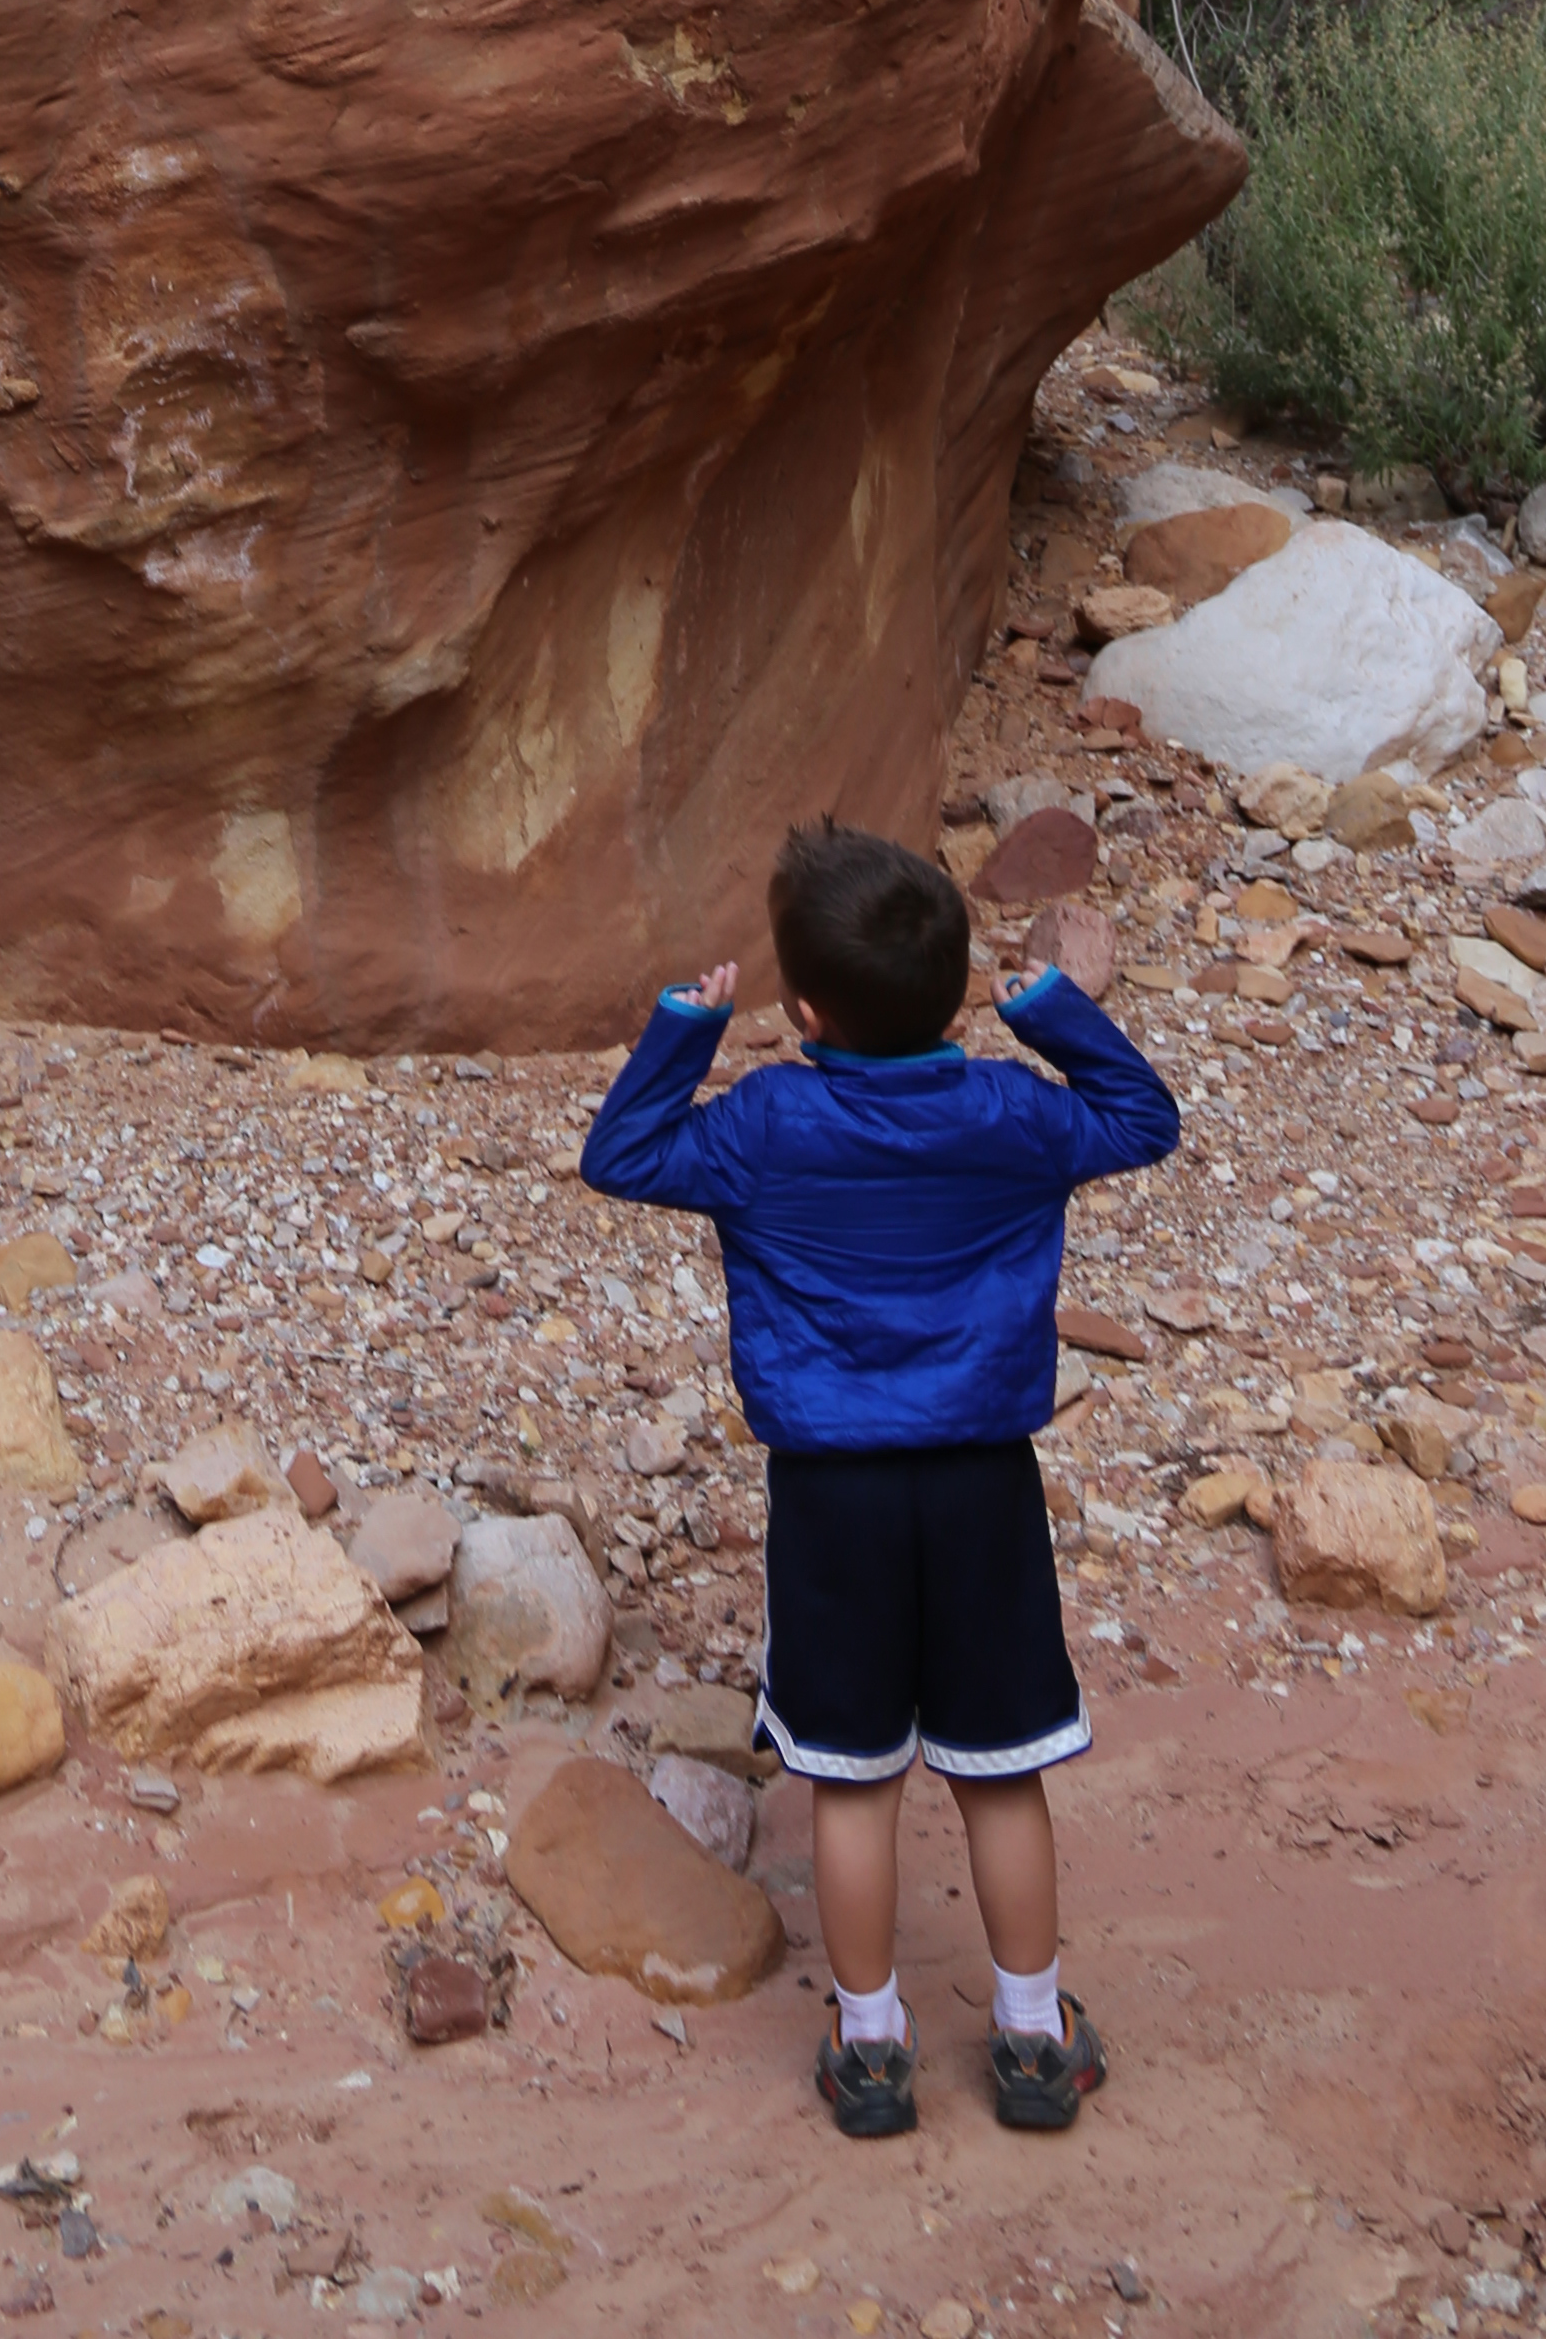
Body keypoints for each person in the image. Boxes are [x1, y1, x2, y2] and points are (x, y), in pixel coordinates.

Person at [578, 822, 1177, 2145]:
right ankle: (1031, 2038)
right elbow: (1146, 1120)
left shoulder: (765, 1126)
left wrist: (685, 1028)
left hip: (834, 1496)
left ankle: (870, 2053)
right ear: (956, 984)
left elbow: (620, 1157)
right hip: (981, 1487)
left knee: (852, 1781)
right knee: (1001, 1769)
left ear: (801, 1007)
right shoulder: (1017, 1115)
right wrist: (1048, 1007)